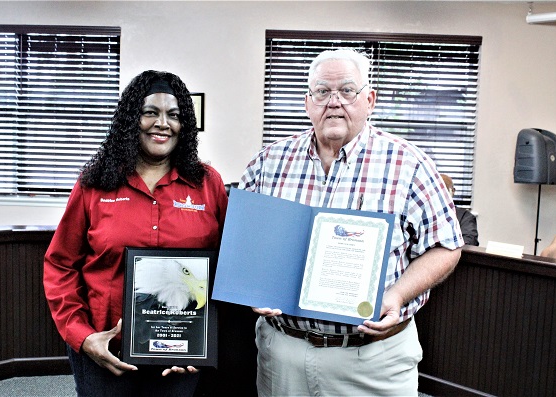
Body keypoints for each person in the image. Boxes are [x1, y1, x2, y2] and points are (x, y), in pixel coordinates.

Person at [239, 49, 463, 396]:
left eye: (347, 91)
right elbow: (245, 242)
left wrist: (397, 294)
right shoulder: (268, 162)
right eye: (322, 92)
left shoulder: (410, 164)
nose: (334, 102)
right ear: (307, 102)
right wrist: (253, 285)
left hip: (371, 361)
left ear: (369, 99)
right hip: (282, 355)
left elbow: (446, 247)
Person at [43, 70, 228, 397]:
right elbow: (60, 265)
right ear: (131, 118)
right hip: (105, 349)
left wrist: (202, 340)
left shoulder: (207, 183)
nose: (162, 123)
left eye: (174, 115)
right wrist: (83, 337)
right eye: (150, 112)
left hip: (180, 350)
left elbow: (228, 265)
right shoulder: (96, 183)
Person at [441, 173, 480, 246]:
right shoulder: (422, 215)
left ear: (453, 191)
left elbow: (469, 242)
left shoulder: (466, 217)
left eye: (445, 189)